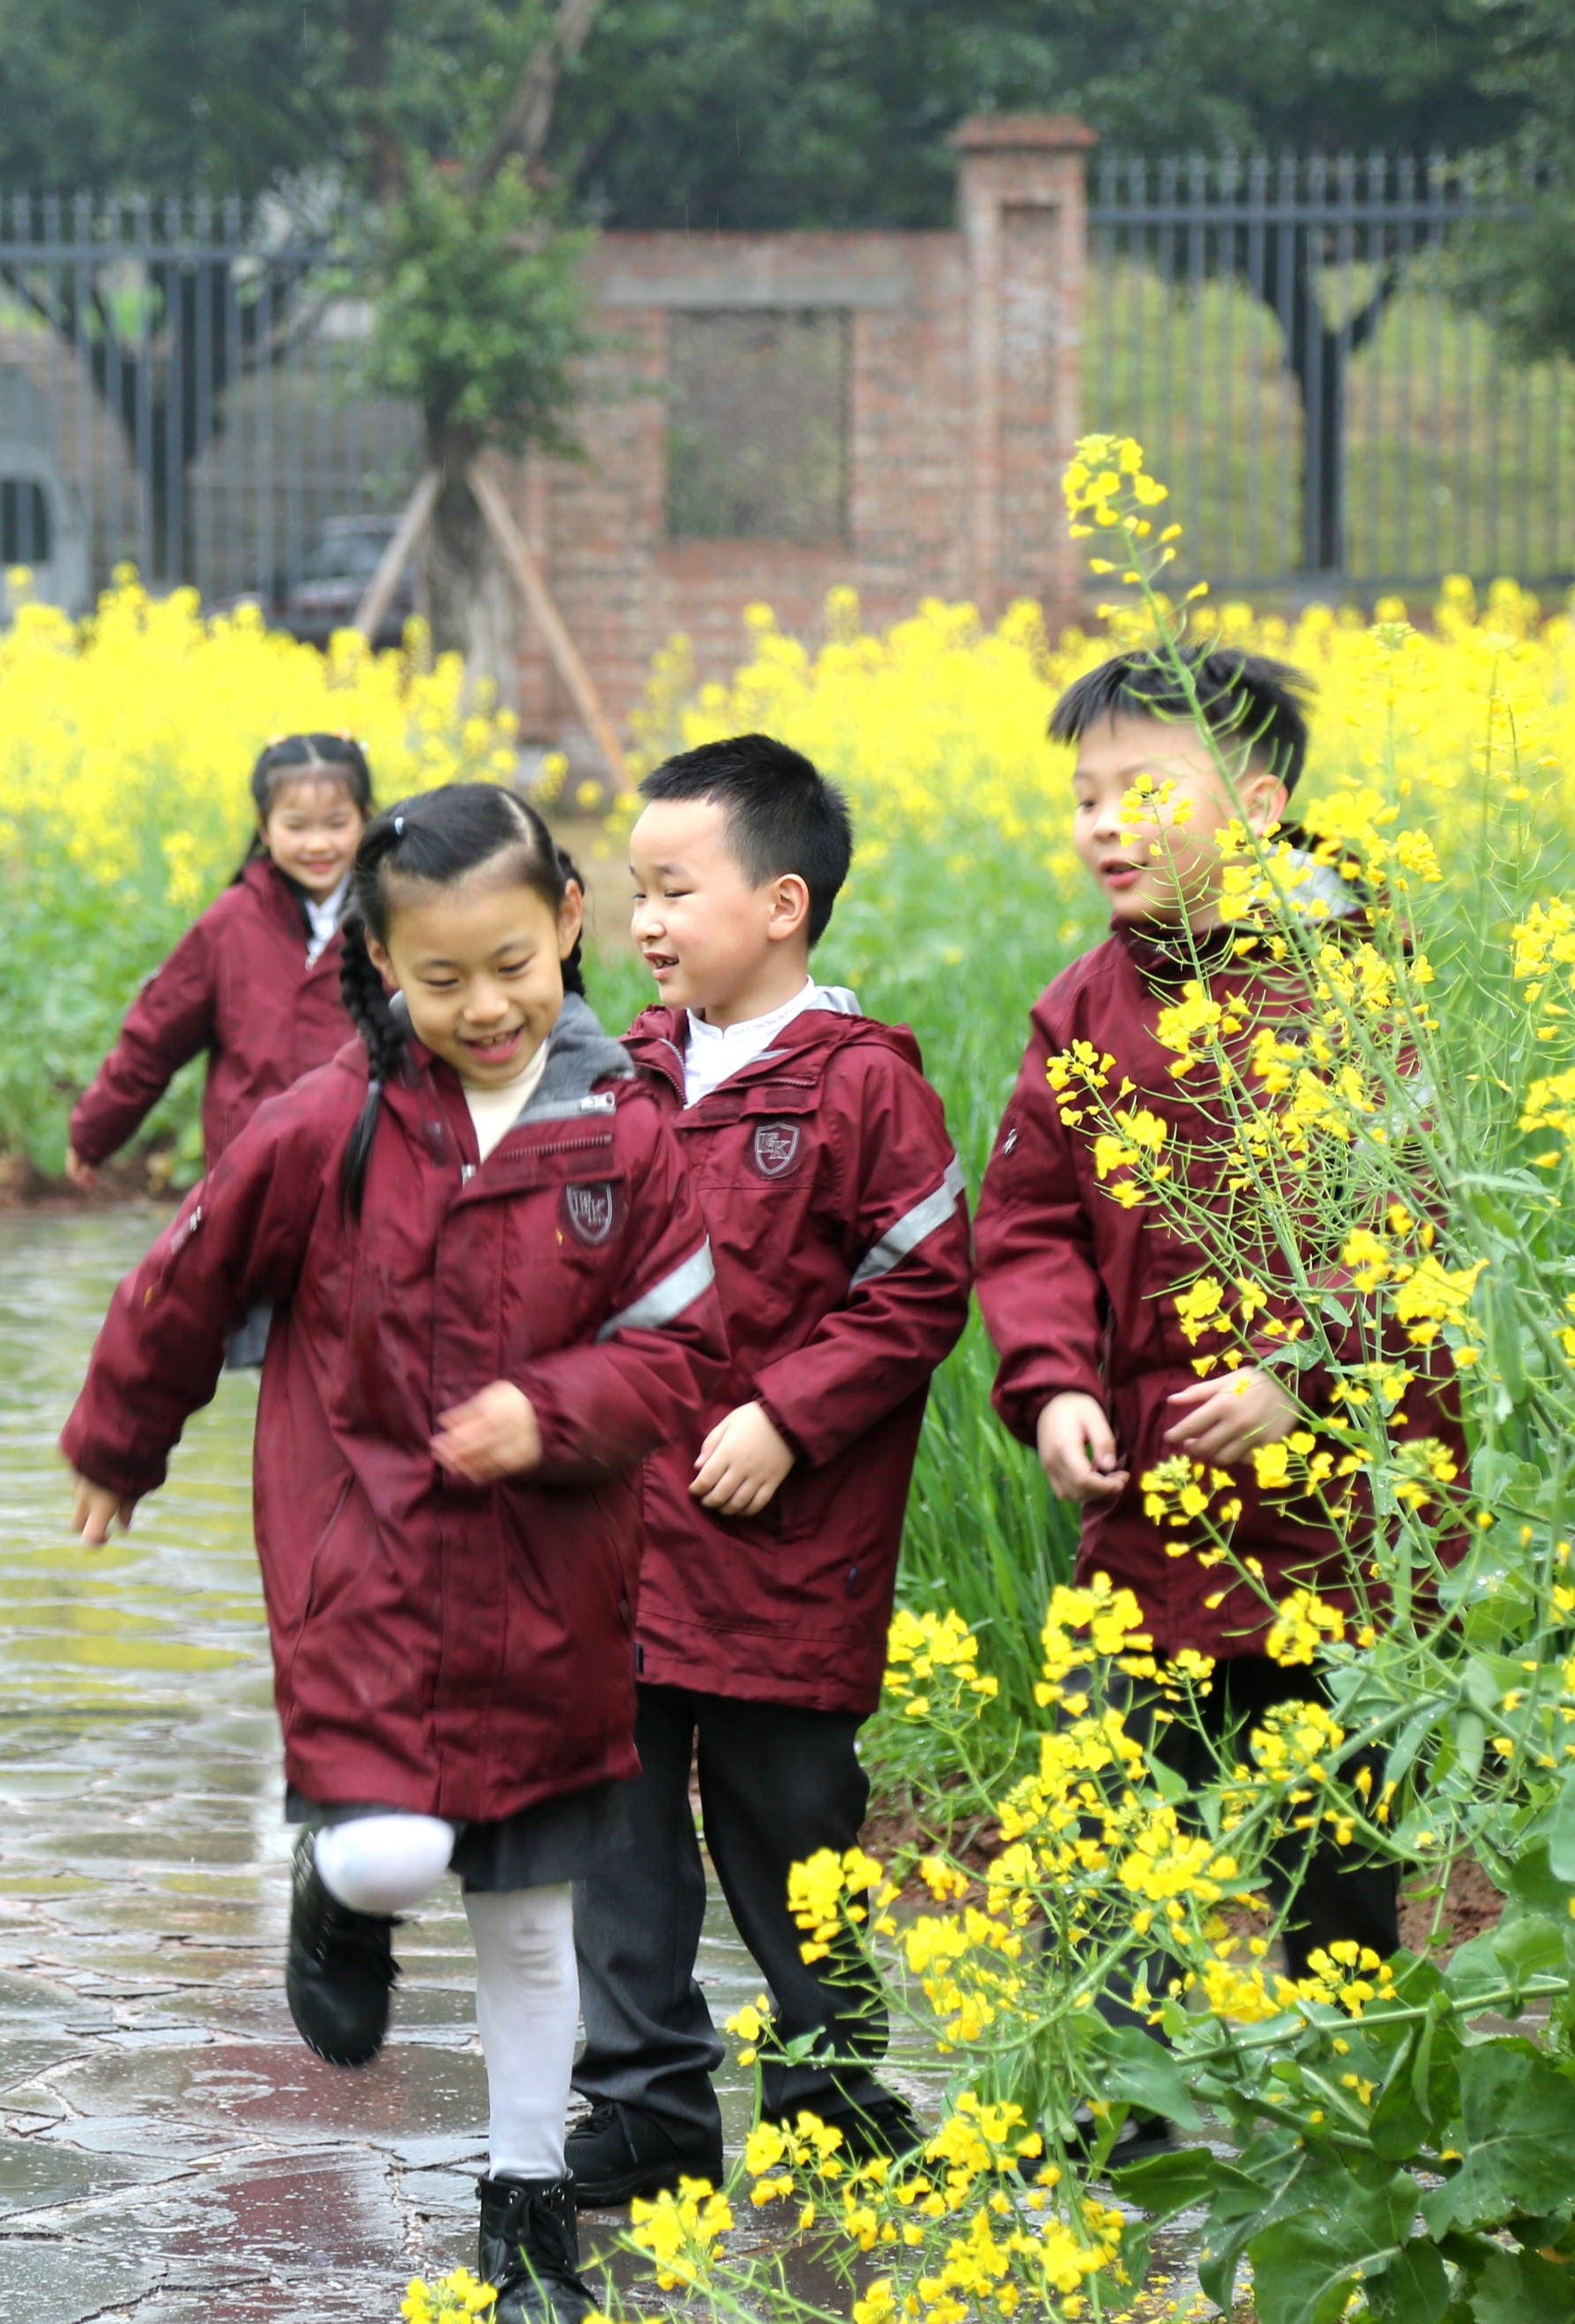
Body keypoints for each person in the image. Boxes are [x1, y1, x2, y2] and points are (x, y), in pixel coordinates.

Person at [62, 781, 722, 2322]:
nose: (484, 1005)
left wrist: (554, 1410)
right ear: (379, 958)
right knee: (395, 1843)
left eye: (512, 962)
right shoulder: (326, 1123)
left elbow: (686, 1346)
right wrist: (119, 1439)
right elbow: (183, 1276)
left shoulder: (626, 1127)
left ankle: (526, 2202)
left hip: (555, 1575)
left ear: (568, 921)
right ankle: (332, 1892)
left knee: (530, 1905)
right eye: (440, 979)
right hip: (360, 1552)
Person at [974, 649, 1460, 2126]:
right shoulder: (1083, 1007)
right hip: (1156, 1499)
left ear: (1258, 804)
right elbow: (1033, 1222)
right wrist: (1054, 1382)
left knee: (1336, 1845)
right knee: (1120, 1824)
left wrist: (1306, 1374)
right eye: (1084, 798)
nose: (1106, 825)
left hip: (1342, 1517)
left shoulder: (1355, 980)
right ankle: (1121, 2125)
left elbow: (1415, 1215)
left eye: (1143, 790)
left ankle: (1340, 2126)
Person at [566, 735, 971, 2207]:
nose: (648, 921)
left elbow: (923, 1280)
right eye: (636, 892)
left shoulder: (865, 1085)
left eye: (677, 889)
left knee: (792, 1831)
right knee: (617, 1841)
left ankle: (832, 2088)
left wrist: (792, 1415)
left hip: (784, 1541)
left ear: (784, 903)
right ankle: (641, 2106)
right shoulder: (621, 1066)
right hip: (621, 1532)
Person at [66, 732, 372, 1187]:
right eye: (296, 826)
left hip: (362, 1171)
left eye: (335, 824)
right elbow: (157, 1033)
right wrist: (94, 1132)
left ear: (366, 820)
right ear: (265, 827)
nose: (317, 844)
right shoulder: (232, 923)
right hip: (250, 1177)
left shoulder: (392, 922)